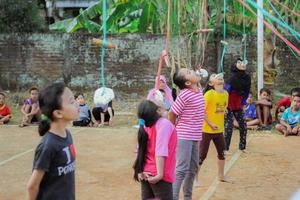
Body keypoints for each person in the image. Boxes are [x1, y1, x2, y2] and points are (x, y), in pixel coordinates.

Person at [27, 82, 79, 200]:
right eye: (71, 101)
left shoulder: (67, 134)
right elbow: (32, 186)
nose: (76, 103)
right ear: (58, 113)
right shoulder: (48, 145)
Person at [168, 68, 205, 200]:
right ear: (188, 83)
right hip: (184, 136)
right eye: (189, 72)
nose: (192, 71)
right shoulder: (184, 95)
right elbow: (172, 113)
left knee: (193, 167)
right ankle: (173, 197)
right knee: (182, 169)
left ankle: (187, 197)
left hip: (195, 135)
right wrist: (172, 130)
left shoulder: (198, 90)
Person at [133, 100, 177, 200]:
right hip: (159, 174)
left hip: (146, 172)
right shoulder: (163, 124)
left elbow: (139, 150)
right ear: (158, 111)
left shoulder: (145, 125)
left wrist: (140, 170)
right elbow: (160, 151)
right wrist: (160, 174)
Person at [199, 73, 230, 182]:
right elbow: (201, 111)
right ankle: (194, 178)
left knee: (222, 153)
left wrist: (223, 112)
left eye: (220, 76)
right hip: (206, 130)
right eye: (214, 76)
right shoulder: (209, 94)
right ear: (211, 83)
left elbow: (224, 108)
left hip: (219, 130)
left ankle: (221, 176)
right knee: (202, 155)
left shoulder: (226, 94)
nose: (218, 76)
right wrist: (211, 124)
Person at [224, 57, 251, 152]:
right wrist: (225, 106)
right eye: (238, 62)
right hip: (228, 105)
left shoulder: (247, 78)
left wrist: (243, 103)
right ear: (234, 66)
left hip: (238, 105)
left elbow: (246, 92)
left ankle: (242, 148)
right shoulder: (231, 78)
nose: (241, 64)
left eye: (242, 62)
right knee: (229, 127)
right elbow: (226, 92)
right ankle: (225, 149)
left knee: (243, 125)